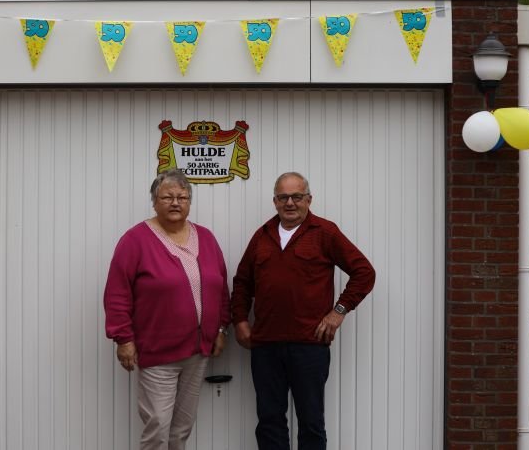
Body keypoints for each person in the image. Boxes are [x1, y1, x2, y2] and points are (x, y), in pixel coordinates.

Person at [231, 172, 375, 450]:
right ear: (275, 201)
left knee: (311, 422)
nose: (290, 203)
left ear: (309, 199)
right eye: (283, 197)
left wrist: (338, 312)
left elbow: (364, 272)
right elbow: (242, 282)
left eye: (297, 196)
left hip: (309, 345)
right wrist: (239, 320)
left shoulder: (325, 232)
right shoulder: (262, 236)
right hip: (266, 345)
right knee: (269, 420)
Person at [104, 168, 231, 450]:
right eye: (167, 197)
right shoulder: (135, 240)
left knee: (181, 428)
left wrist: (222, 328)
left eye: (182, 197)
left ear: (189, 202)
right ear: (154, 201)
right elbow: (117, 293)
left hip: (198, 351)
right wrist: (123, 338)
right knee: (158, 428)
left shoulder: (206, 238)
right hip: (158, 353)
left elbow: (221, 288)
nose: (175, 202)